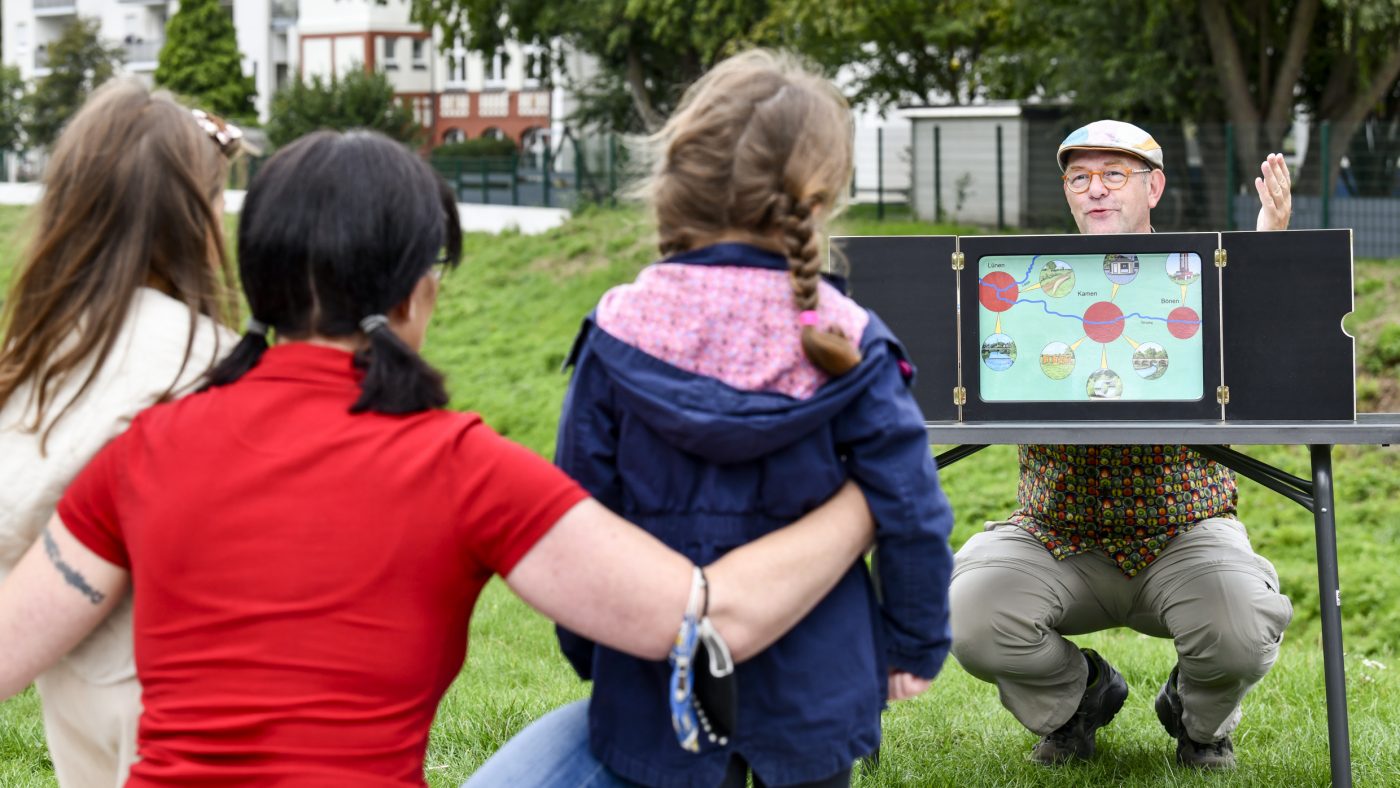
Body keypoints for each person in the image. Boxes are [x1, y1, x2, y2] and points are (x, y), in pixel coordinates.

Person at [0, 128, 881, 787]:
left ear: (258, 281)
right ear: (420, 291)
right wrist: (867, 497)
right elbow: (707, 621)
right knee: (601, 732)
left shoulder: (147, 447)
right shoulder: (458, 464)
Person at [476, 50, 956, 788]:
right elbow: (912, 508)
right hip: (817, 689)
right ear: (818, 197)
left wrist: (593, 647)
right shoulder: (849, 340)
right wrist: (913, 645)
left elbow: (575, 520)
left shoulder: (616, 332)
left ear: (679, 181)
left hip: (651, 680)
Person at [948, 119, 1295, 770]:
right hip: (1058, 533)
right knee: (973, 614)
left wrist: (1264, 248)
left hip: (1183, 531)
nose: (1095, 190)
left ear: (1155, 187)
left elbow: (1258, 346)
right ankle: (1079, 699)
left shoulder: (1198, 280)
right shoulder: (1018, 286)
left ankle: (1196, 721)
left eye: (1114, 175)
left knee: (1242, 627)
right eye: (1080, 178)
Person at [0, 78, 242, 787]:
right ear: (192, 218)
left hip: (71, 677)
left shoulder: (37, 356)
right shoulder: (204, 361)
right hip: (172, 688)